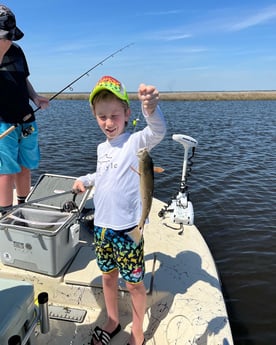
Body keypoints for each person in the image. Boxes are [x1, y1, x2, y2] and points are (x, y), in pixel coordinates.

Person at [73, 75, 166, 345]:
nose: (109, 123)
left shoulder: (136, 142)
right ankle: (113, 320)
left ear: (127, 114)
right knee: (108, 275)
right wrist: (86, 180)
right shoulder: (102, 147)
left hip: (128, 228)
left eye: (114, 115)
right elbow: (103, 173)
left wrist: (150, 109)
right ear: (95, 116)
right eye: (102, 117)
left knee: (134, 284)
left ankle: (137, 331)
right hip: (102, 227)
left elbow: (157, 131)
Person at [0, 4, 49, 215]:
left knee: (24, 166)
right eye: (5, 36)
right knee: (5, 170)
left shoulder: (18, 51)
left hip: (27, 117)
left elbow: (24, 80)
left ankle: (23, 207)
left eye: (9, 36)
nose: (8, 40)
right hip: (3, 121)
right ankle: (5, 214)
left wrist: (35, 97)